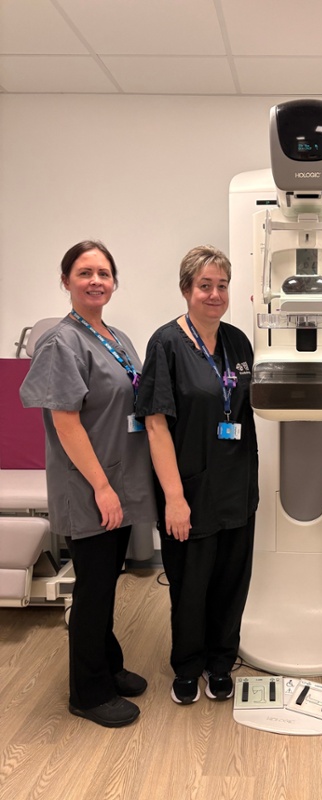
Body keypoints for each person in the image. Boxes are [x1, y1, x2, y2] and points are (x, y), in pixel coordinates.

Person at [20, 240, 156, 728]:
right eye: (84, 273)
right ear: (66, 281)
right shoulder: (61, 341)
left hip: (120, 479)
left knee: (106, 581)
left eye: (103, 273)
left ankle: (108, 664)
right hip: (91, 485)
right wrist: (101, 487)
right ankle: (88, 692)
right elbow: (66, 422)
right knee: (94, 588)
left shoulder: (116, 336)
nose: (96, 281)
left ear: (114, 282)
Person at [136, 245, 258, 706]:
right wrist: (174, 498)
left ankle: (221, 663)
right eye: (205, 285)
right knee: (190, 585)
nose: (215, 294)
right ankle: (188, 666)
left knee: (231, 582)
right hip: (188, 489)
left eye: (222, 285)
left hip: (236, 485)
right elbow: (155, 425)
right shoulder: (166, 344)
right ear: (186, 289)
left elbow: (246, 408)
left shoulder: (238, 342)